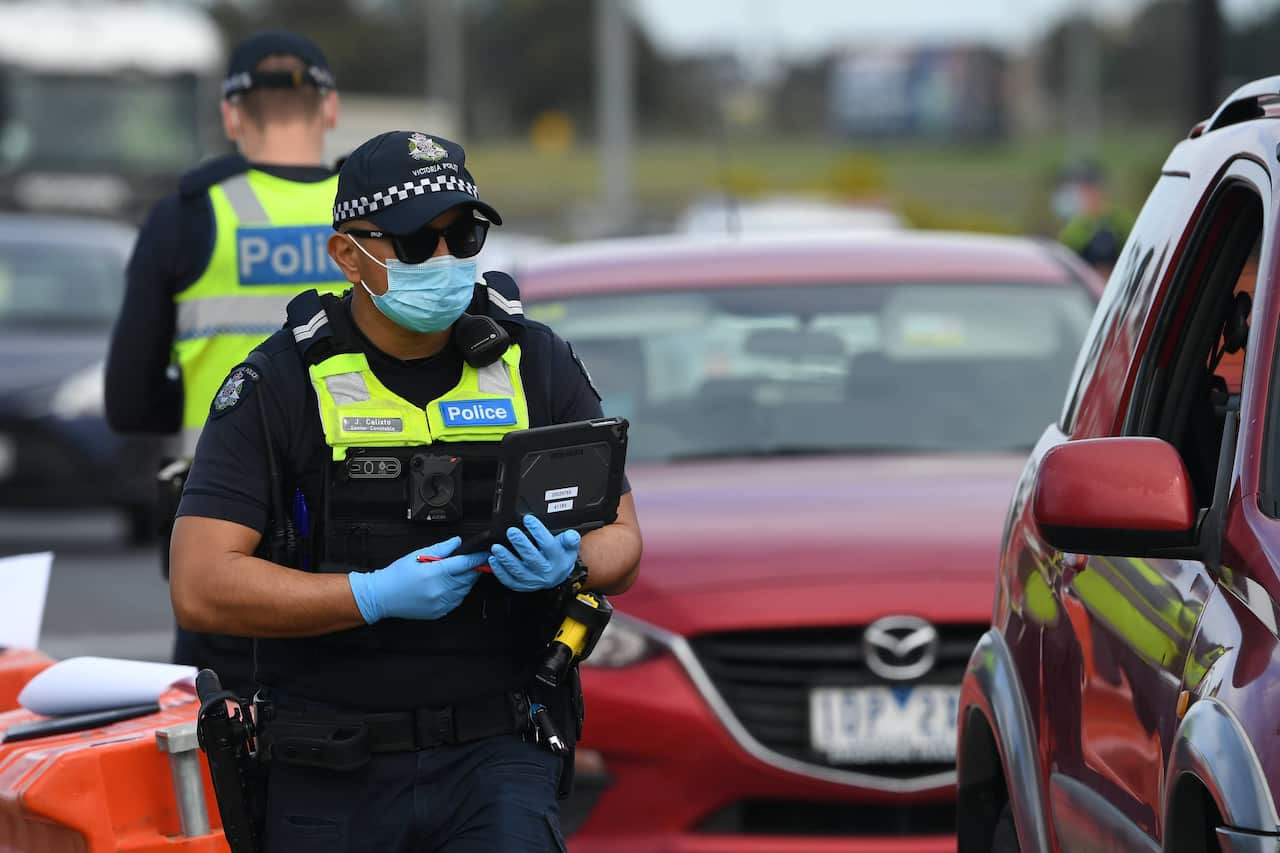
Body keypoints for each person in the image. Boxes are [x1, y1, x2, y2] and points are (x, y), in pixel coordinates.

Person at [169, 130, 643, 851]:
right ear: (346, 253)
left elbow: (624, 539)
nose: (447, 259)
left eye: (465, 233)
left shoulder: (534, 361)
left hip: (498, 750)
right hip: (330, 760)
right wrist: (368, 595)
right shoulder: (282, 384)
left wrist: (570, 563)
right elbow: (201, 582)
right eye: (418, 243)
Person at [104, 31, 348, 694]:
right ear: (329, 109)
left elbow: (126, 401)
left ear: (231, 115)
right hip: (367, 519)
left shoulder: (185, 217)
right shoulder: (374, 213)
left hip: (223, 533)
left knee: (217, 761)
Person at [1054, 160, 1134, 275]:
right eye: (1085, 191)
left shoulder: (1120, 221)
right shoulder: (1074, 228)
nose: (1090, 195)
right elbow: (1068, 260)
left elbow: (1134, 253)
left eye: (1092, 189)